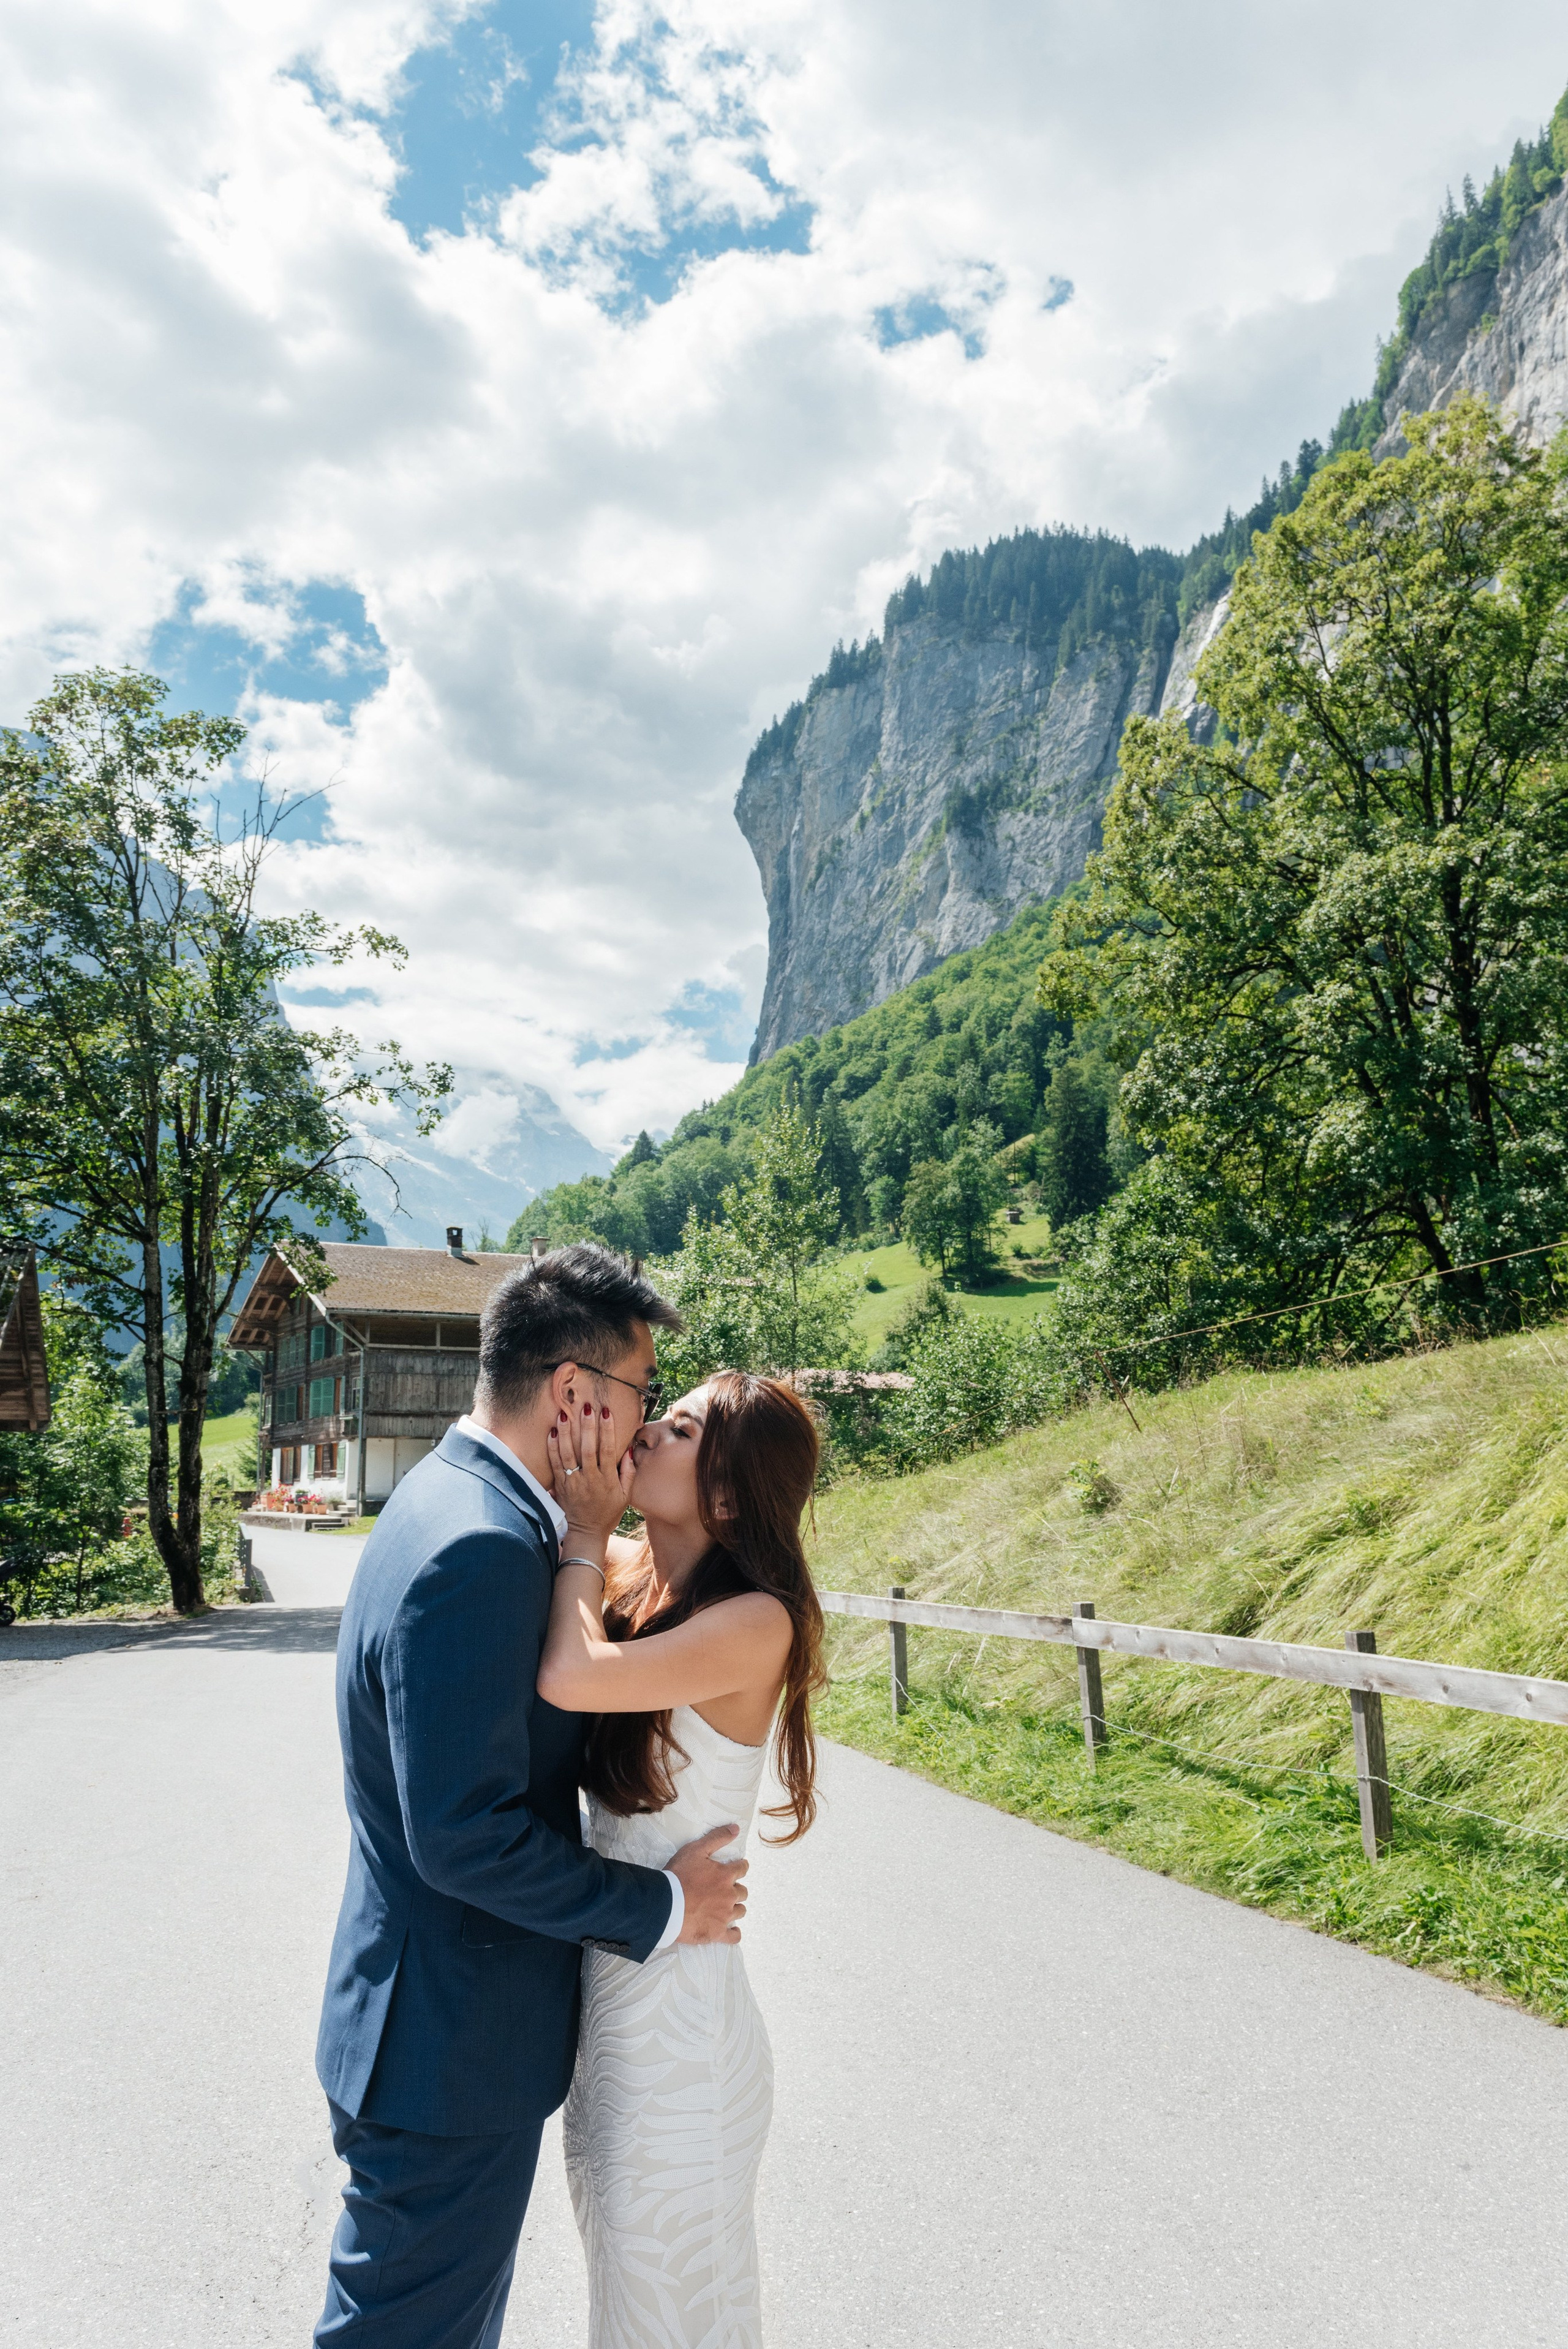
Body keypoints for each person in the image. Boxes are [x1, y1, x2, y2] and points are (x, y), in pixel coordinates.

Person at [313, 1246, 750, 2349]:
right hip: (447, 2052)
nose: (645, 1425)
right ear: (574, 1394)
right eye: (645, 1396)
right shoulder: (484, 1547)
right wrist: (659, 1907)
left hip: (428, 2027)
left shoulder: (446, 1499)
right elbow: (466, 1837)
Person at [537, 1367, 825, 2349]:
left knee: (664, 2324)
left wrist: (584, 1532)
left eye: (683, 1426)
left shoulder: (755, 1622)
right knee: (627, 2307)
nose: (651, 1428)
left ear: (729, 1494)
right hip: (611, 2019)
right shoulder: (631, 1577)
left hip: (684, 2045)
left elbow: (573, 1674)